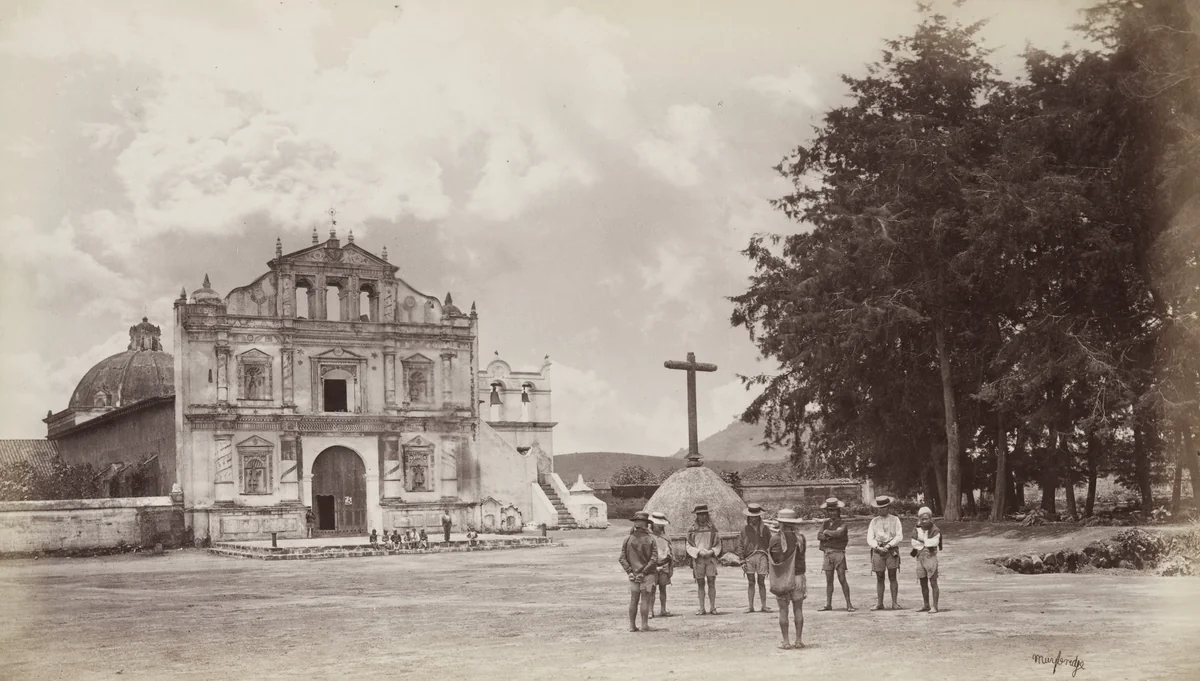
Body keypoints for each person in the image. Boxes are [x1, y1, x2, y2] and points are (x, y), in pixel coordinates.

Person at [767, 508, 807, 650]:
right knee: (798, 609)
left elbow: (775, 560)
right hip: (798, 578)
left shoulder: (775, 539)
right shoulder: (801, 539)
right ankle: (798, 640)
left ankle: (786, 641)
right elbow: (801, 559)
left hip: (783, 579)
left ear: (781, 523)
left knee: (783, 611)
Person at [618, 511, 660, 632]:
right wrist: (644, 572)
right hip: (647, 575)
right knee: (645, 599)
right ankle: (644, 625)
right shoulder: (651, 540)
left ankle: (632, 625)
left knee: (633, 599)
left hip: (633, 575)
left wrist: (630, 572)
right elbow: (654, 559)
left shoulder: (628, 539)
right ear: (646, 524)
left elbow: (622, 558)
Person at [817, 497, 855, 612]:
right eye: (830, 510)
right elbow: (819, 536)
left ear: (838, 511)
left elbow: (839, 533)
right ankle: (828, 604)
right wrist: (829, 535)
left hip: (839, 554)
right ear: (827, 512)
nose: (832, 513)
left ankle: (849, 604)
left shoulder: (843, 523)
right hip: (827, 554)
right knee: (829, 580)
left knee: (842, 578)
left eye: (834, 510)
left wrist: (827, 533)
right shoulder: (825, 523)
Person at [867, 496, 904, 611]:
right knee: (879, 576)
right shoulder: (874, 521)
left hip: (891, 550)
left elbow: (899, 536)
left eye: (884, 508)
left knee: (892, 576)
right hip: (878, 550)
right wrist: (877, 547)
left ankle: (894, 602)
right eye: (880, 508)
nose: (882, 510)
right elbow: (870, 537)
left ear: (888, 507)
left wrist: (888, 545)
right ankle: (879, 603)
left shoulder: (895, 520)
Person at [686, 504, 721, 615]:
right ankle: (701, 608)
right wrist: (698, 552)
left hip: (710, 559)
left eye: (705, 514)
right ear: (697, 515)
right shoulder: (692, 529)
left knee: (711, 582)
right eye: (700, 514)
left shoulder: (712, 529)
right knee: (700, 583)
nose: (703, 516)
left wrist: (712, 551)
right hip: (698, 560)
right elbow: (688, 545)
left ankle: (713, 607)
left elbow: (718, 543)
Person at [738, 503, 773, 614]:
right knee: (751, 582)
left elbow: (770, 543)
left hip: (762, 556)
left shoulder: (765, 529)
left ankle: (764, 605)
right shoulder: (744, 529)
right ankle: (750, 606)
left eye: (756, 516)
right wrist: (742, 560)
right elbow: (740, 545)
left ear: (759, 517)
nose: (753, 518)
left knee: (761, 582)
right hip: (749, 557)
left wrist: (770, 559)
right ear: (749, 517)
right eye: (751, 516)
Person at [910, 506, 943, 613]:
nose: (923, 521)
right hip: (920, 557)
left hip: (931, 557)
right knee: (922, 582)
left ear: (930, 519)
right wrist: (925, 542)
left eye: (926, 518)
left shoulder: (935, 530)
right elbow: (914, 543)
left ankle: (935, 606)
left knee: (933, 582)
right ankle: (926, 604)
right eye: (921, 519)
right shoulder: (916, 529)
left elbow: (933, 542)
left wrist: (923, 541)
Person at [648, 512, 674, 618]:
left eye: (661, 524)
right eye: (657, 524)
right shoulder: (648, 537)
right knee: (652, 590)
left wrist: (671, 566)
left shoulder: (666, 537)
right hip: (652, 566)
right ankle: (650, 611)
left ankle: (663, 609)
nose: (659, 526)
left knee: (663, 588)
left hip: (664, 565)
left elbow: (671, 552)